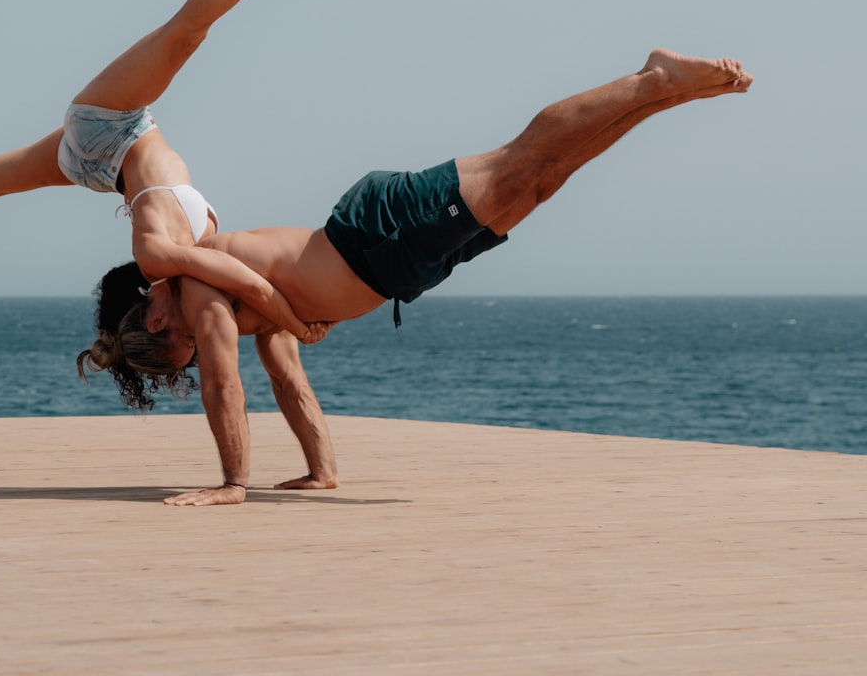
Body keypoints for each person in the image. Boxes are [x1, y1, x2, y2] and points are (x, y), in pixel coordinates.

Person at [79, 49, 753, 505]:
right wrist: (322, 471)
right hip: (397, 266)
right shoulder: (252, 314)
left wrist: (233, 483)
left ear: (158, 318)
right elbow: (286, 378)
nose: (201, 347)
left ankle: (652, 80)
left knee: (519, 165)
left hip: (375, 234)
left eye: (182, 349)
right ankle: (657, 96)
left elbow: (228, 381)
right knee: (542, 182)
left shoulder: (200, 292)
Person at [0, 0, 323, 380]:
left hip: (109, 128)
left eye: (187, 340)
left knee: (185, 33)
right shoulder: (186, 272)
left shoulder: (168, 262)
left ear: (157, 319)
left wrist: (295, 324)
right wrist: (300, 320)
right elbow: (256, 289)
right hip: (100, 168)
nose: (203, 338)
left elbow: (256, 287)